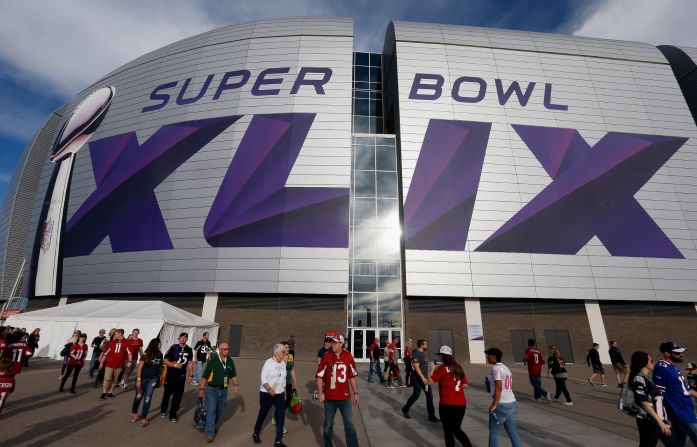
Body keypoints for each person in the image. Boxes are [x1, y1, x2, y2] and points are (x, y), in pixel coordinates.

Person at [316, 333, 359, 447]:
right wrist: (320, 393)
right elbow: (319, 376)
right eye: (331, 342)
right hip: (330, 397)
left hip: (345, 397)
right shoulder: (327, 356)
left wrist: (355, 393)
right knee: (328, 424)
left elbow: (352, 376)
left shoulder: (348, 356)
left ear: (341, 344)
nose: (332, 344)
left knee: (349, 424)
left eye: (335, 342)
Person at [653, 341, 697, 445]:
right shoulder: (661, 368)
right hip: (681, 413)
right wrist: (661, 420)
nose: (681, 355)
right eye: (677, 353)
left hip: (684, 411)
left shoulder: (673, 367)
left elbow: (686, 390)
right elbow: (658, 395)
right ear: (667, 353)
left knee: (678, 444)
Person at [428, 345, 472, 447]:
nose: (439, 357)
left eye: (440, 355)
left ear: (443, 356)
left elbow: (429, 382)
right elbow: (465, 385)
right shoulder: (458, 367)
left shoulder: (442, 368)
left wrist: (432, 369)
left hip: (447, 404)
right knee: (457, 429)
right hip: (461, 404)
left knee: (448, 431)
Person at [628, 351, 671, 446]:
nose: (653, 362)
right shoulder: (639, 378)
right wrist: (660, 422)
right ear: (644, 363)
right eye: (651, 360)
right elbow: (644, 402)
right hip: (649, 421)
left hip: (656, 420)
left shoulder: (645, 378)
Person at [198, 341, 238, 443]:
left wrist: (235, 385)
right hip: (211, 389)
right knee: (211, 410)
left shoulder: (230, 361)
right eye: (225, 349)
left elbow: (233, 374)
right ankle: (210, 433)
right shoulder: (213, 360)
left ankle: (209, 425)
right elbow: (205, 376)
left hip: (224, 389)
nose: (227, 350)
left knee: (219, 410)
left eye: (228, 349)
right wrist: (201, 389)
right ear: (220, 350)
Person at [485, 347, 522, 447]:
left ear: (494, 356)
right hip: (512, 403)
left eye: (488, 355)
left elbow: (499, 386)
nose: (487, 357)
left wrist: (494, 404)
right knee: (513, 432)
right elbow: (509, 386)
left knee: (494, 431)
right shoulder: (506, 368)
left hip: (501, 405)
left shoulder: (495, 368)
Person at [252, 343, 287, 446]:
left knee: (281, 416)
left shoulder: (283, 363)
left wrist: (284, 391)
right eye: (283, 352)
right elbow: (263, 378)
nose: (285, 353)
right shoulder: (268, 362)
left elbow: (283, 378)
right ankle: (256, 432)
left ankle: (278, 441)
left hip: (279, 394)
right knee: (263, 413)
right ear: (277, 353)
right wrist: (269, 389)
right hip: (266, 393)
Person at [402, 338, 439, 422]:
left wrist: (432, 366)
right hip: (418, 379)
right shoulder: (416, 353)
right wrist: (422, 378)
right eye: (426, 344)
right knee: (416, 396)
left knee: (429, 396)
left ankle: (431, 415)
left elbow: (423, 364)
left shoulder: (422, 353)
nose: (427, 346)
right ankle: (405, 409)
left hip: (425, 379)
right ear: (422, 345)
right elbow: (416, 367)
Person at [160, 332, 194, 422]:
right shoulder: (173, 347)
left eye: (185, 338)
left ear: (187, 339)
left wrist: (191, 375)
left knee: (178, 396)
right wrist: (174, 365)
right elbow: (165, 360)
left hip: (181, 375)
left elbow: (190, 363)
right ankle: (163, 409)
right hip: (171, 374)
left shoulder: (189, 349)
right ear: (178, 338)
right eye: (182, 337)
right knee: (167, 394)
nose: (183, 339)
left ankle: (173, 415)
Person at [131, 337, 164, 427]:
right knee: (138, 397)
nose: (161, 344)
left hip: (152, 380)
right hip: (142, 379)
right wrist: (138, 380)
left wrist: (159, 379)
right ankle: (134, 413)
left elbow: (160, 367)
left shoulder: (160, 354)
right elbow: (140, 368)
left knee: (147, 398)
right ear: (156, 344)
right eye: (160, 343)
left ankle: (143, 418)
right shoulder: (145, 354)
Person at [99, 329, 132, 400]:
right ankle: (104, 393)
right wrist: (101, 362)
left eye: (116, 334)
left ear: (120, 334)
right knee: (107, 378)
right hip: (109, 363)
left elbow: (129, 352)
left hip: (119, 364)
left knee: (115, 379)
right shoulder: (112, 342)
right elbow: (106, 353)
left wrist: (130, 361)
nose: (114, 335)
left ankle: (110, 393)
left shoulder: (126, 342)